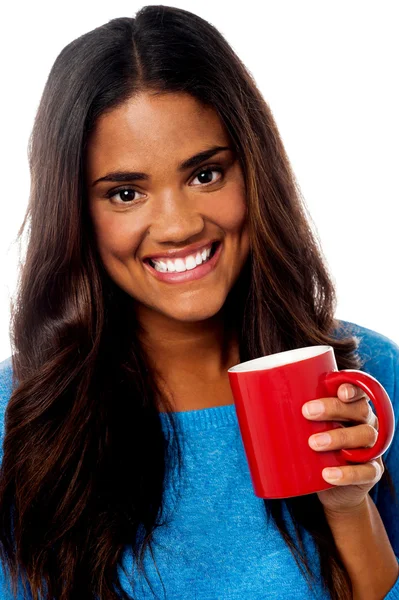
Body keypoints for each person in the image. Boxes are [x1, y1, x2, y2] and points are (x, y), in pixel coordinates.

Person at [0, 5, 398, 599]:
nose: (178, 225)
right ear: (77, 215)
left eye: (206, 175)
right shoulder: (20, 417)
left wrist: (347, 507)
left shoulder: (364, 377)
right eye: (126, 193)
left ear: (254, 171)